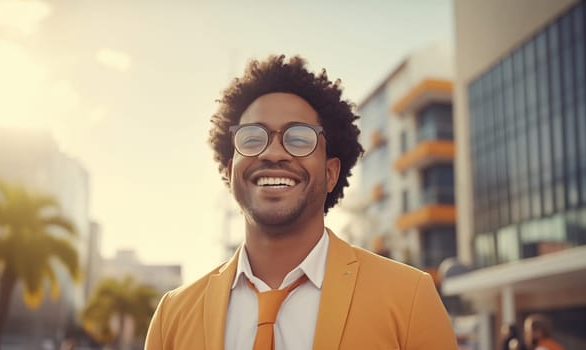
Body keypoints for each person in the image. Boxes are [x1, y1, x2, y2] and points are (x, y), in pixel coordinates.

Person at [144, 55, 457, 350]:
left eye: (299, 138)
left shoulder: (409, 297)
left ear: (331, 173)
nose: (273, 153)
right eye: (252, 138)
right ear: (230, 170)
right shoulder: (172, 315)